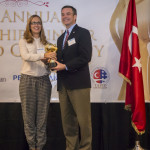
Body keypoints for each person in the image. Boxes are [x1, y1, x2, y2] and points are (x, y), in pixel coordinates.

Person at [53, 5, 92, 150]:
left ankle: (86, 148)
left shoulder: (83, 33)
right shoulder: (60, 38)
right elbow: (60, 62)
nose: (65, 16)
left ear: (75, 16)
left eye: (68, 14)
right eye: (63, 14)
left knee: (84, 122)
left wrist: (65, 66)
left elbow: (86, 57)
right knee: (68, 123)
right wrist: (52, 62)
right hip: (63, 85)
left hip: (79, 84)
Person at [19, 14, 56, 150]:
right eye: (33, 23)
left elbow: (48, 64)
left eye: (39, 23)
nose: (36, 25)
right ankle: (31, 146)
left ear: (41, 25)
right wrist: (43, 55)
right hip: (27, 81)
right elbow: (26, 56)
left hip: (44, 81)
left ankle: (39, 146)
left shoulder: (47, 44)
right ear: (29, 25)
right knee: (28, 117)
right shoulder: (23, 41)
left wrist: (50, 63)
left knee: (42, 117)